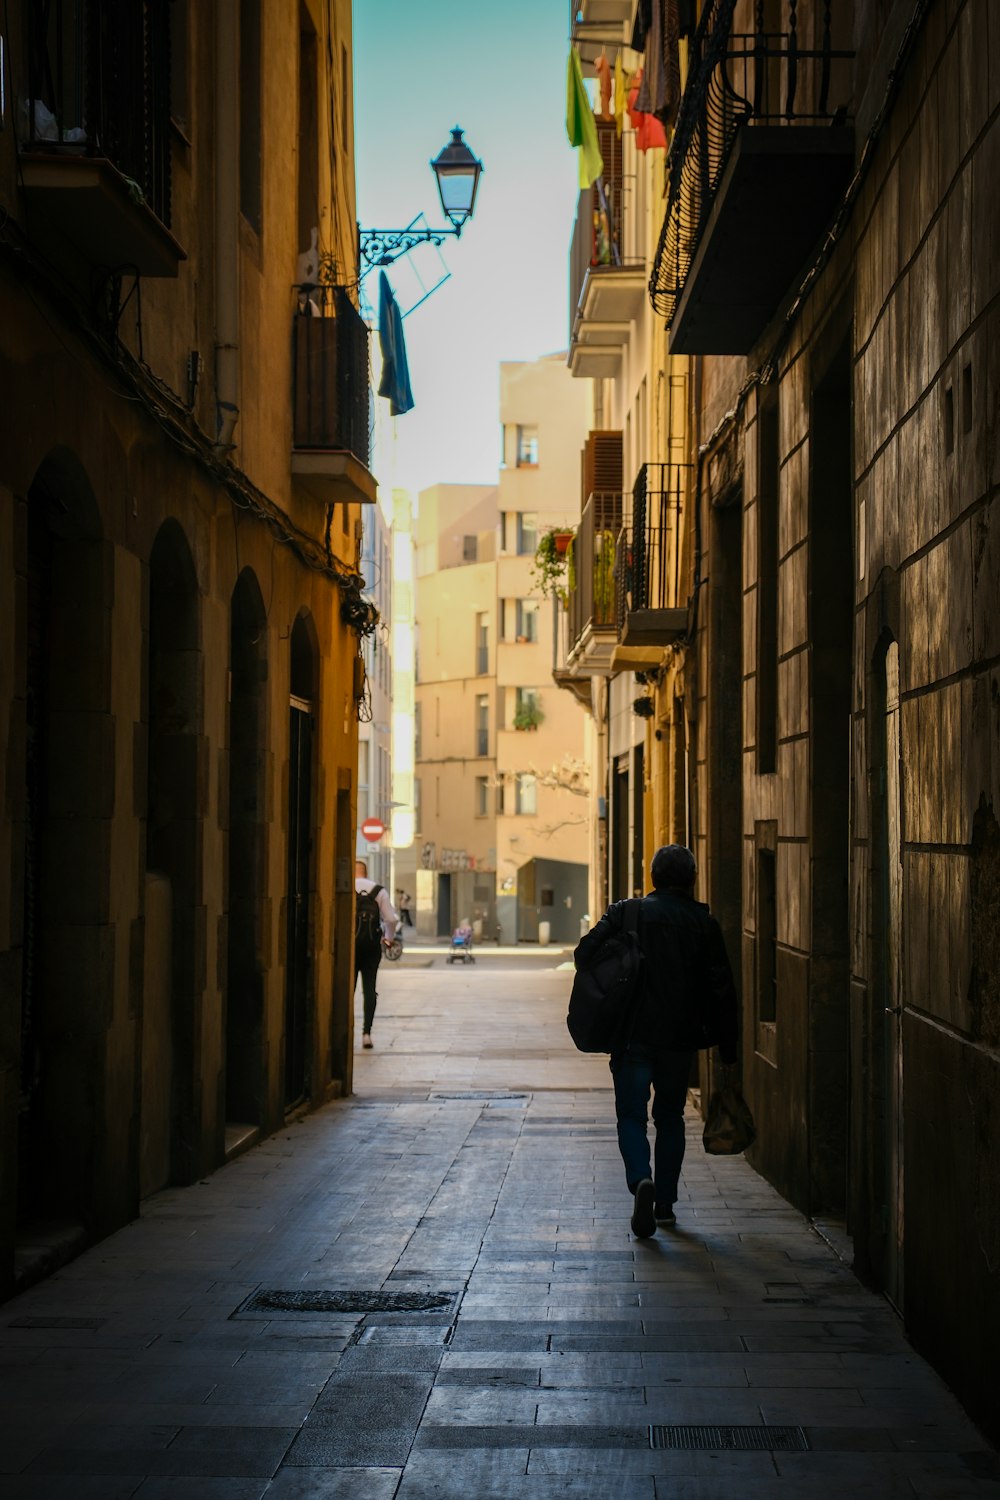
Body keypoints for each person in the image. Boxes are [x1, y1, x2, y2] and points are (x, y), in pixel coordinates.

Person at [574, 844, 739, 1239]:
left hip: (632, 1036)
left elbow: (584, 954)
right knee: (670, 1118)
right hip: (678, 1041)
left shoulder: (627, 912)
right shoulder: (704, 923)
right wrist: (728, 1049)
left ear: (653, 878)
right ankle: (664, 1203)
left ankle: (640, 1179)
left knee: (632, 1116)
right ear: (691, 880)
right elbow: (721, 989)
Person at [354, 860, 400, 1049]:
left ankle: (343, 1032)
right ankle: (366, 1034)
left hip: (350, 947)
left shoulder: (345, 888)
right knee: (369, 989)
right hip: (371, 946)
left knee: (347, 990)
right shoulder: (378, 891)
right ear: (366, 872)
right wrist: (388, 938)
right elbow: (390, 919)